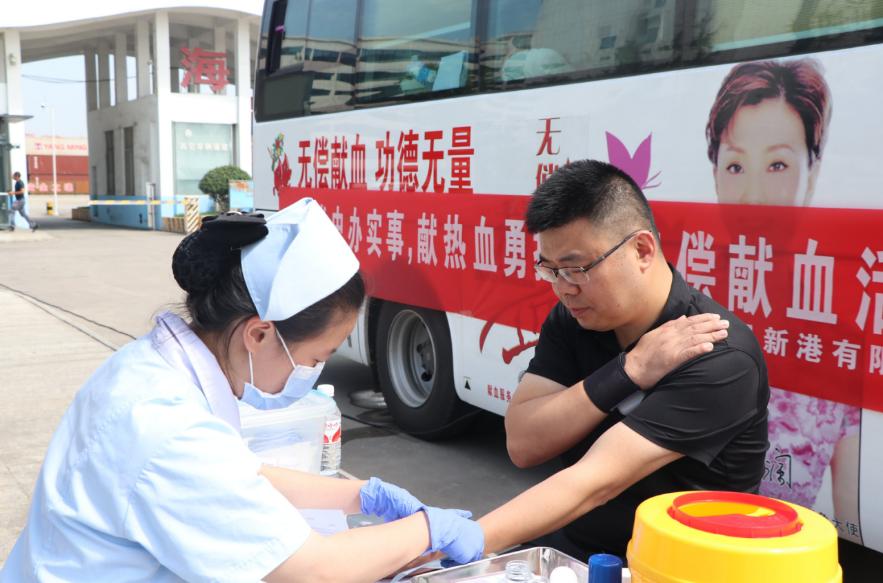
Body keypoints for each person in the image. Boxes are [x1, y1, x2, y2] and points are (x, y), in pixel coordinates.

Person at [0, 198, 483, 582]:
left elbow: (240, 475)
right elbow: (311, 570)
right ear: (259, 334)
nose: (312, 372)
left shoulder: (151, 366)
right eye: (315, 358)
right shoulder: (168, 427)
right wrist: (428, 530)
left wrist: (362, 495)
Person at [478, 159, 769, 559]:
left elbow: (593, 483)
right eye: (551, 270)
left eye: (576, 269)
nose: (564, 289)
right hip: (578, 547)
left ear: (642, 250)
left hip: (677, 566)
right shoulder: (575, 318)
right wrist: (627, 371)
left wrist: (458, 538)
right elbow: (524, 442)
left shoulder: (719, 354)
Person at [706, 58, 862, 542]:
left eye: (777, 165)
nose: (752, 194)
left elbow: (851, 511)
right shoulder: (686, 302)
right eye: (735, 165)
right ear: (715, 174)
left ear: (811, 175)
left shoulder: (839, 333)